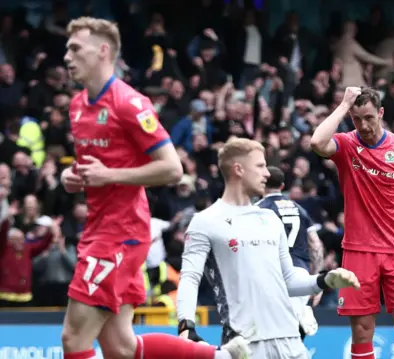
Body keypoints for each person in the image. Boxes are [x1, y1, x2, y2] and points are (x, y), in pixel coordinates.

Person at [59, 17, 250, 359]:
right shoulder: (77, 107)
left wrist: (110, 175)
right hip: (99, 227)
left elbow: (172, 168)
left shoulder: (128, 103)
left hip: (119, 233)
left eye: (75, 48)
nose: (67, 57)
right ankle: (220, 356)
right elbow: (95, 166)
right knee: (120, 347)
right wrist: (72, 177)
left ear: (103, 51)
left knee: (74, 339)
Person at [176, 138, 361, 359]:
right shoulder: (205, 221)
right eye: (260, 166)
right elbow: (189, 278)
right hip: (245, 344)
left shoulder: (270, 219)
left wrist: (324, 280)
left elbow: (289, 280)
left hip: (291, 342)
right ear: (239, 169)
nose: (266, 174)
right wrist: (186, 325)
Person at [310, 86, 394, 359]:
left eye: (369, 117)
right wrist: (344, 104)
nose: (364, 125)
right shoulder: (346, 145)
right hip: (358, 252)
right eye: (357, 119)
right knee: (361, 331)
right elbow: (317, 143)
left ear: (381, 113)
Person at [256, 166, 324, 340]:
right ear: (282, 185)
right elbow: (315, 244)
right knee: (294, 337)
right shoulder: (299, 208)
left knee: (271, 334)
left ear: (262, 183)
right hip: (299, 273)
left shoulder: (259, 209)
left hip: (272, 275)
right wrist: (315, 279)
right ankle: (301, 315)